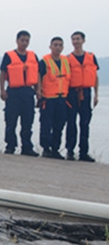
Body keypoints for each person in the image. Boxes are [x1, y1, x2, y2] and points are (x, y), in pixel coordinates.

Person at [0, 30, 40, 156]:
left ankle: (26, 147)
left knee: (27, 122)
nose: (24, 43)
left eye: (27, 40)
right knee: (11, 121)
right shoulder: (9, 55)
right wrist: (2, 90)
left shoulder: (33, 56)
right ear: (17, 41)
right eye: (22, 40)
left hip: (28, 92)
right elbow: (2, 73)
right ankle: (10, 146)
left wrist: (38, 90)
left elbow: (37, 74)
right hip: (13, 92)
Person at [65, 31, 99, 162]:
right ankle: (70, 151)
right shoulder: (67, 58)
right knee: (71, 122)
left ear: (83, 40)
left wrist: (96, 95)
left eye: (78, 39)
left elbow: (95, 77)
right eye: (73, 39)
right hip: (72, 93)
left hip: (86, 92)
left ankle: (83, 152)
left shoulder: (91, 57)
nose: (75, 42)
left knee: (85, 123)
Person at [37, 37, 70, 159]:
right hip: (48, 98)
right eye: (55, 45)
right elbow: (38, 76)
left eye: (60, 45)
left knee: (59, 125)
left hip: (62, 98)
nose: (58, 47)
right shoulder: (45, 61)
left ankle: (55, 149)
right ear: (50, 46)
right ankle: (46, 148)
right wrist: (39, 92)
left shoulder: (66, 61)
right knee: (46, 124)